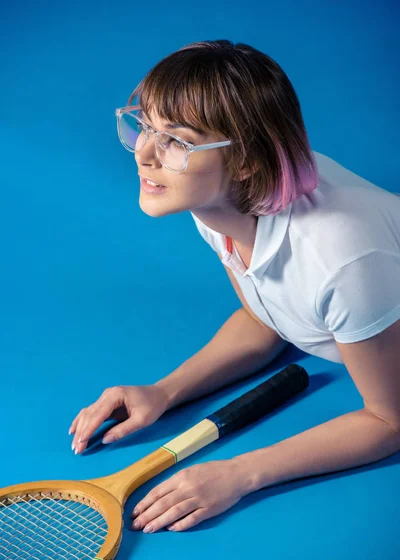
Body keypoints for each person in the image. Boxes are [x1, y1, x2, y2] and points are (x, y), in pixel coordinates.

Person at [69, 40, 400, 534]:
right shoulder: (215, 200)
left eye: (176, 140)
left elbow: (388, 421)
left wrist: (241, 473)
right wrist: (164, 392)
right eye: (145, 126)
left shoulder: (344, 261)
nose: (144, 154)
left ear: (246, 159)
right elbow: (264, 320)